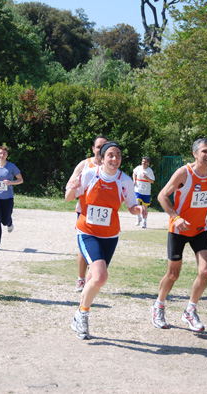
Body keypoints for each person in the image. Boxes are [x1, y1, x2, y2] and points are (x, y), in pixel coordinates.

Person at [65, 141, 146, 339]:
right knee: (100, 276)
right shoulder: (90, 174)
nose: (115, 159)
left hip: (110, 235)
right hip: (87, 232)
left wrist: (139, 210)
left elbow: (131, 206)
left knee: (95, 279)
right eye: (110, 155)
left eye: (118, 155)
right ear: (101, 157)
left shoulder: (125, 180)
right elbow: (68, 197)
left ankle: (79, 314)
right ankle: (83, 315)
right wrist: (73, 186)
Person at [150, 138, 207, 332]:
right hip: (179, 230)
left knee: (205, 271)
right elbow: (162, 195)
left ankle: (190, 310)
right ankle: (159, 305)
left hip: (199, 229)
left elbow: (206, 195)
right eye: (204, 151)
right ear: (195, 154)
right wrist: (175, 217)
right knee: (173, 275)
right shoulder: (184, 173)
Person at [65, 135, 109, 292]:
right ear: (93, 149)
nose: (101, 150)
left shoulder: (112, 167)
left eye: (104, 146)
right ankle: (81, 279)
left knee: (101, 249)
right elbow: (69, 187)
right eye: (98, 147)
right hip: (84, 214)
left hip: (105, 217)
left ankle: (93, 279)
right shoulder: (85, 165)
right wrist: (74, 186)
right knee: (84, 250)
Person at [132, 156, 155, 228]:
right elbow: (134, 173)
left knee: (145, 208)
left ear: (148, 163)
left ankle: (144, 221)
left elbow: (152, 181)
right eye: (142, 161)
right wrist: (134, 180)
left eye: (145, 162)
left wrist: (146, 178)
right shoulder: (138, 168)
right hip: (138, 190)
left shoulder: (149, 171)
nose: (143, 163)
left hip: (146, 192)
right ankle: (138, 218)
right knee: (137, 204)